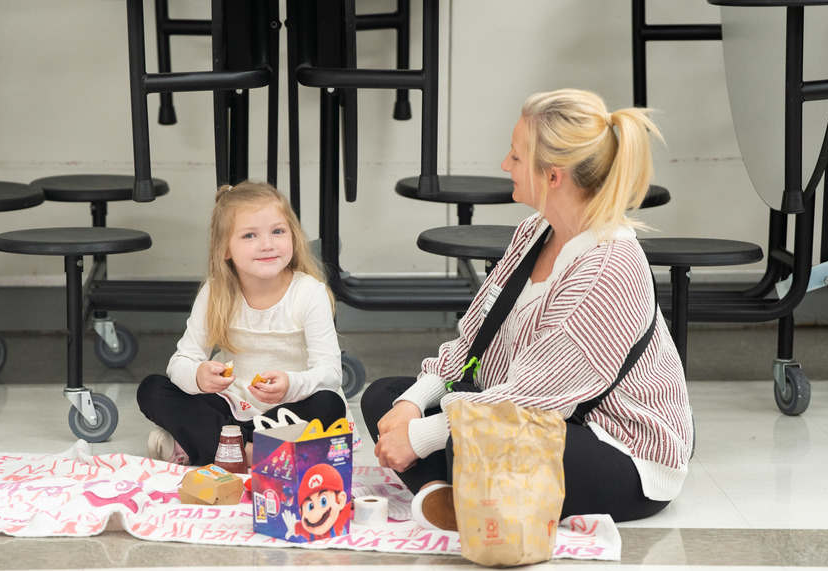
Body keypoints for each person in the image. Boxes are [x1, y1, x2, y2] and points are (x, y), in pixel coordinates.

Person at [361, 89, 693, 527]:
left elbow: (532, 402)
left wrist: (420, 437)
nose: (505, 165)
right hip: (526, 409)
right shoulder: (537, 230)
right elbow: (474, 340)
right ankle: (443, 496)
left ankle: (462, 487)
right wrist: (411, 406)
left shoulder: (608, 268)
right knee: (385, 397)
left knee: (476, 437)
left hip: (616, 448)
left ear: (553, 176)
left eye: (515, 157)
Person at [138, 181, 347, 466]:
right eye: (249, 235)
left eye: (278, 231)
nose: (267, 244)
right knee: (153, 389)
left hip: (288, 407)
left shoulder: (309, 292)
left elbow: (331, 373)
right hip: (232, 405)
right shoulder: (215, 292)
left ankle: (212, 445)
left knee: (328, 403)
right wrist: (199, 375)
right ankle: (255, 454)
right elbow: (181, 361)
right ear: (225, 249)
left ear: (293, 236)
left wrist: (290, 385)